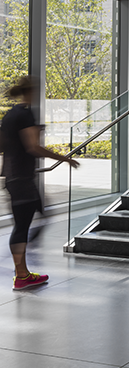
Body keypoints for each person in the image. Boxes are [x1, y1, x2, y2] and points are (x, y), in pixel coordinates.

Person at [1, 76, 79, 290]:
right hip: (22, 178)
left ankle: (23, 271)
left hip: (12, 176)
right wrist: (65, 159)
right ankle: (21, 274)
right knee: (24, 225)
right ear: (31, 92)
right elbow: (32, 147)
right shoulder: (25, 114)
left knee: (37, 213)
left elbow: (5, 143)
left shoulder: (9, 115)